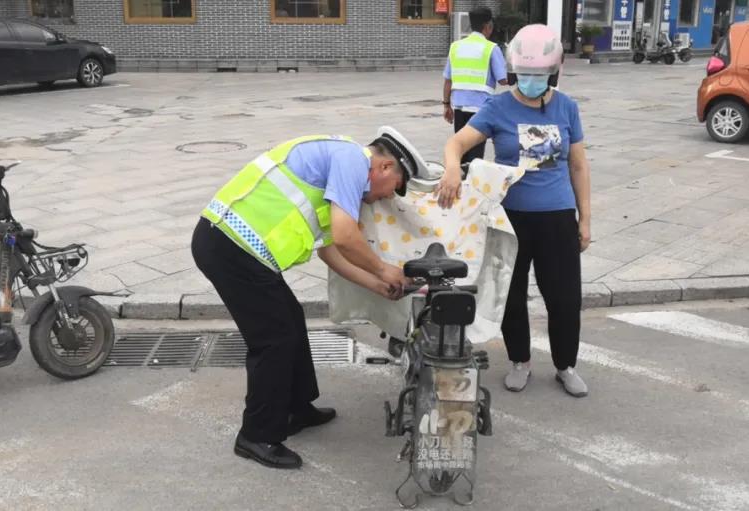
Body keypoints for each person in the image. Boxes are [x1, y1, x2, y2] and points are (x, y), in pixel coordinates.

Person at [191, 127, 427, 469]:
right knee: (273, 340)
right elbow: (346, 238)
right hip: (228, 246)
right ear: (386, 167)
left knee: (290, 318)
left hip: (241, 250)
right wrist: (385, 270)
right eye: (393, 189)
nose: (384, 198)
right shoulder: (351, 161)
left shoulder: (342, 169)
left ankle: (296, 408)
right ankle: (256, 435)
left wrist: (379, 286)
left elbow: (331, 252)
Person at [435, 24, 592, 398]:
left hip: (557, 217)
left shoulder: (567, 107)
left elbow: (579, 165)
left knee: (565, 297)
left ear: (554, 71)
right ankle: (520, 361)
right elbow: (456, 143)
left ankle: (565, 365)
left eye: (538, 76)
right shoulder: (497, 107)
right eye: (524, 75)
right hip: (510, 219)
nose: (530, 82)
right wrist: (453, 167)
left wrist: (585, 219)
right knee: (512, 293)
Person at [442, 6, 508, 166]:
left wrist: (446, 105)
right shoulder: (491, 48)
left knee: (460, 150)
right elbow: (503, 80)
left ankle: (459, 184)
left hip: (459, 108)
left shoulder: (455, 47)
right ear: (488, 26)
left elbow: (448, 80)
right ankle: (471, 187)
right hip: (481, 110)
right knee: (475, 157)